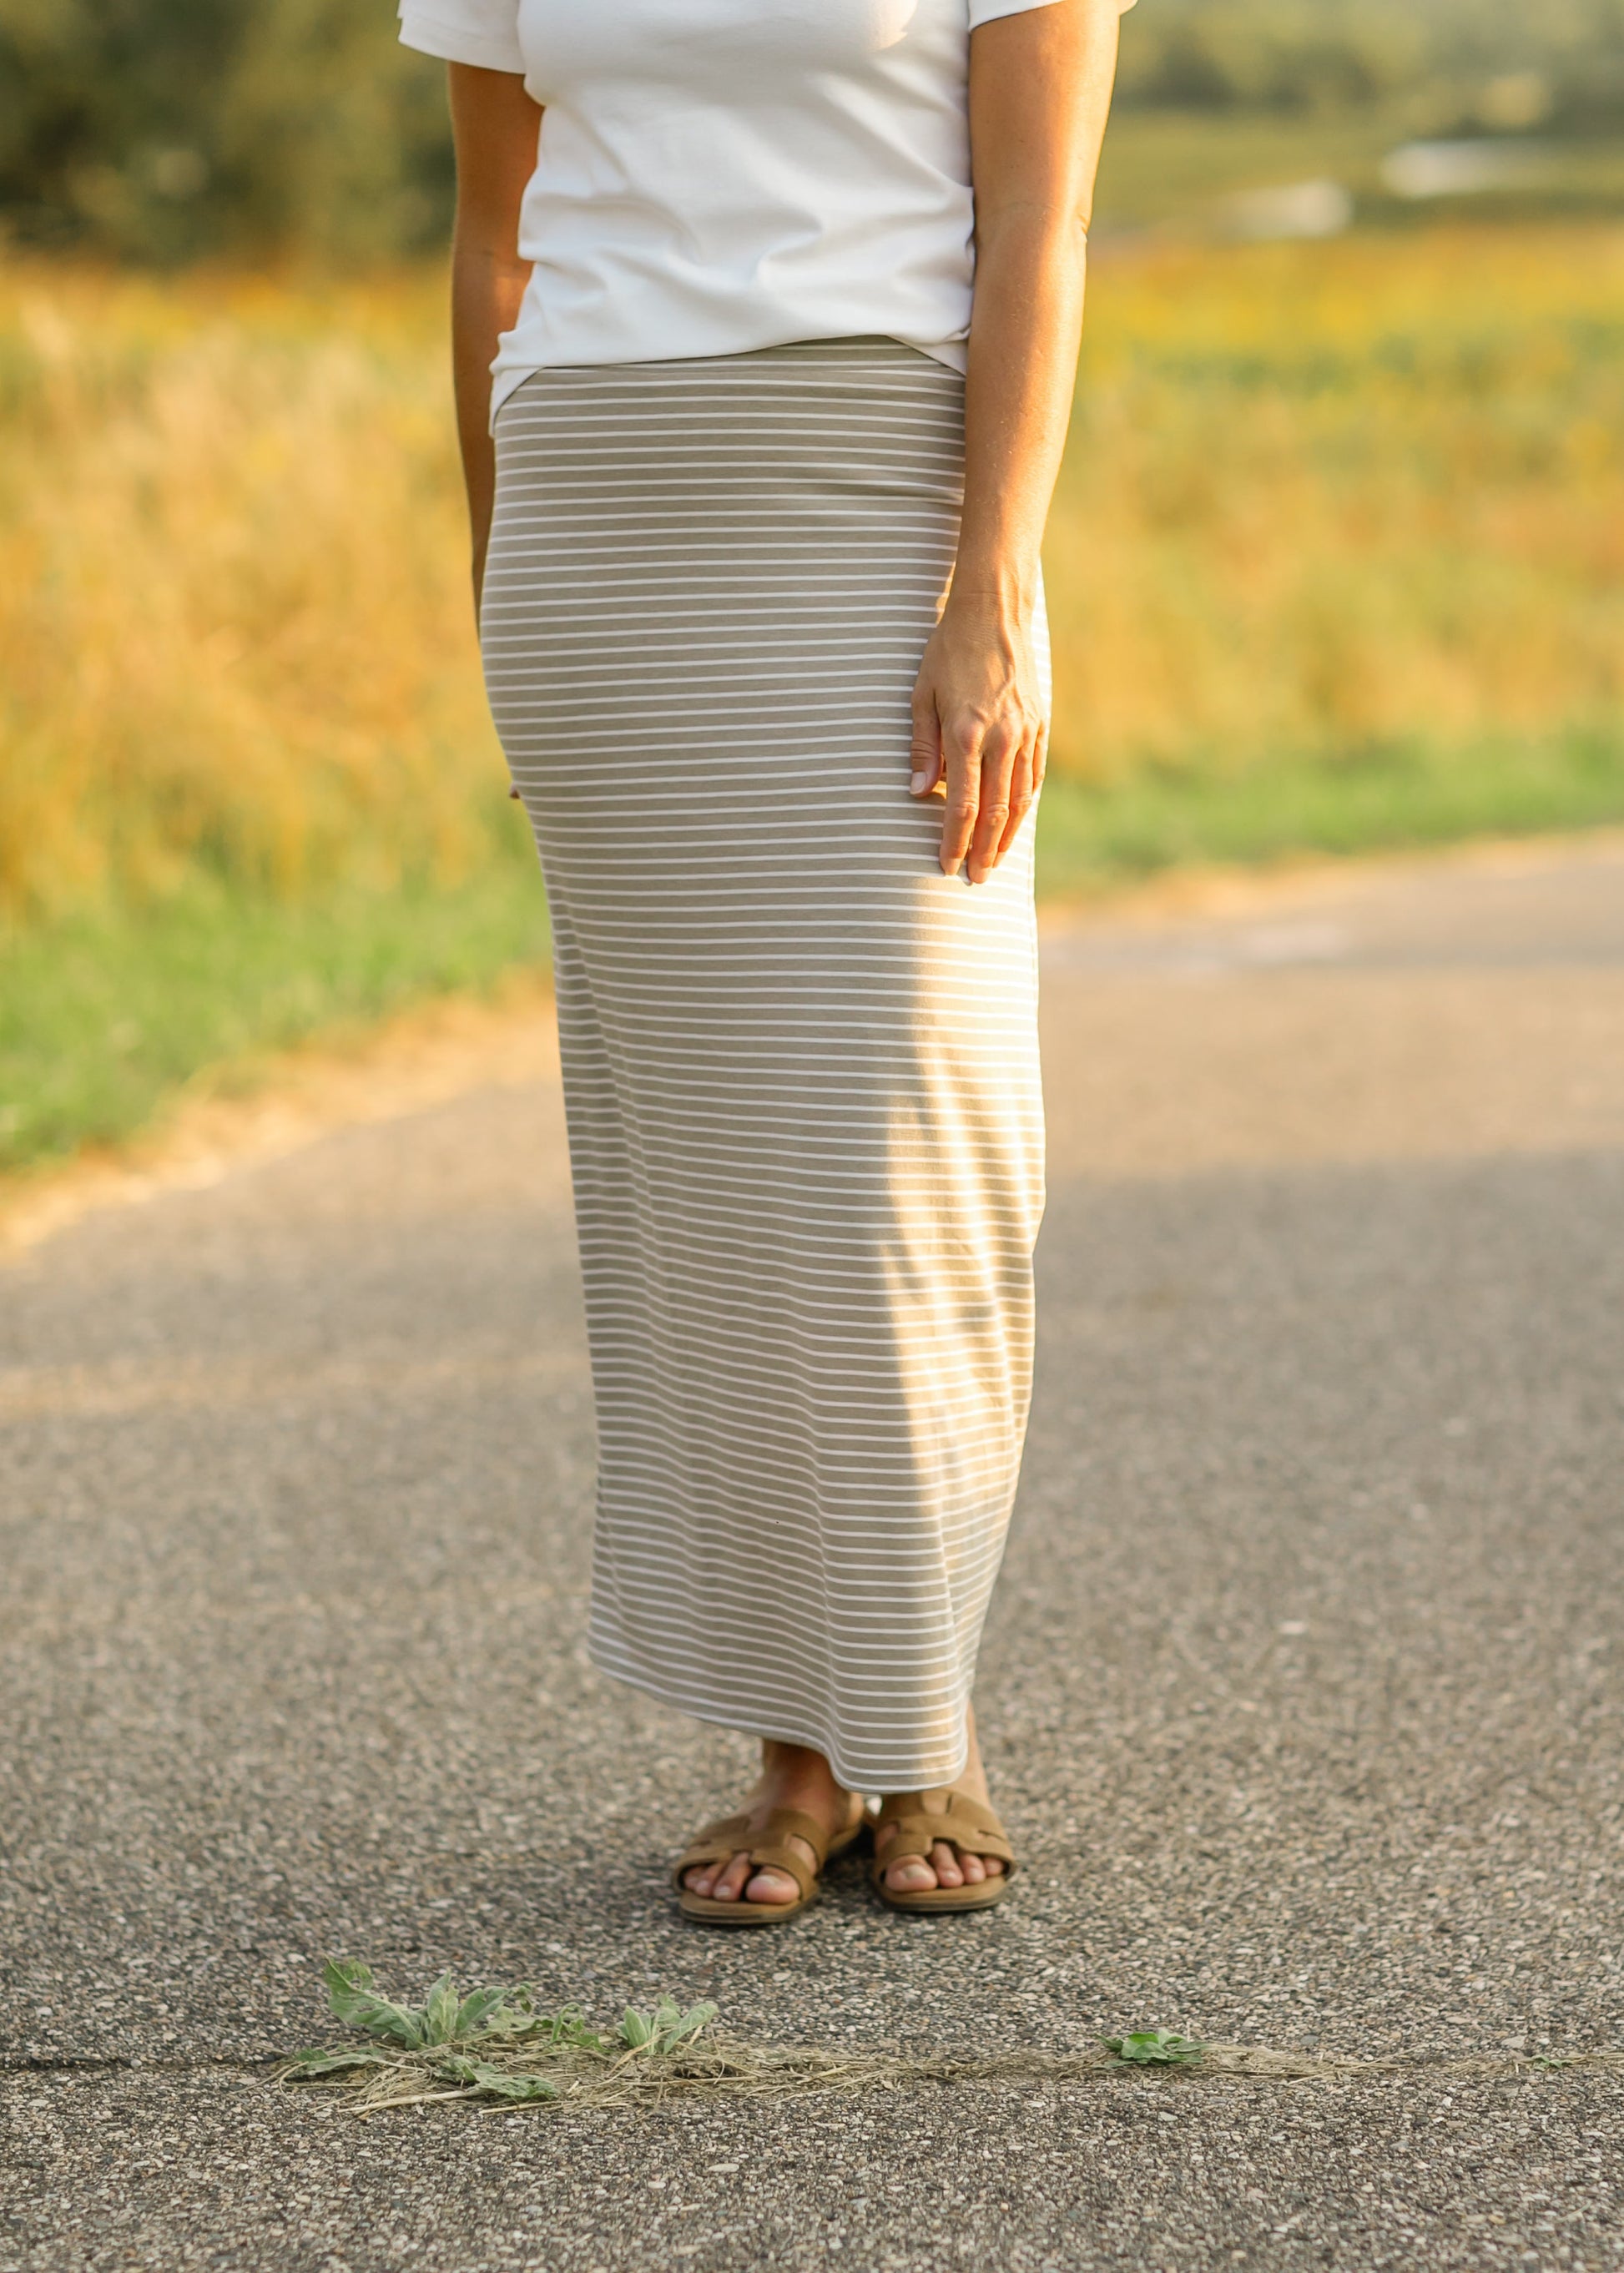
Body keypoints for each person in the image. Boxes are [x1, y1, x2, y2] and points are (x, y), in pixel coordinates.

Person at [399, 0, 1128, 1921]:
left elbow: (1037, 218)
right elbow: (493, 234)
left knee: (910, 1149)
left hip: (875, 495)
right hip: (597, 514)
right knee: (704, 1177)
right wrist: (498, 572)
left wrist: (996, 583)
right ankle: (795, 1748)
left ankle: (923, 1710)